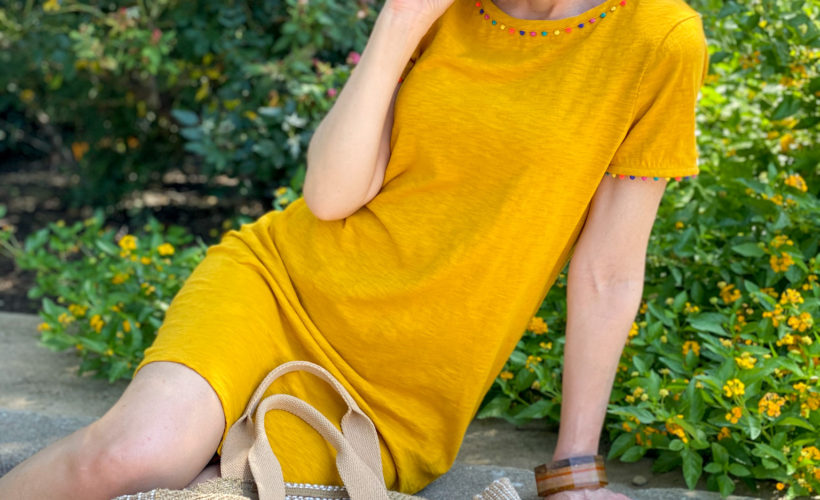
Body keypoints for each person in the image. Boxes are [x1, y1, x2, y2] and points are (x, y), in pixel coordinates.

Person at [0, 0, 709, 498]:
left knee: (201, 491)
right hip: (281, 288)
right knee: (130, 455)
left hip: (395, 398)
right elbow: (332, 197)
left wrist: (574, 466)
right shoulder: (441, 10)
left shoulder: (659, 39)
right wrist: (399, 22)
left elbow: (608, 272)